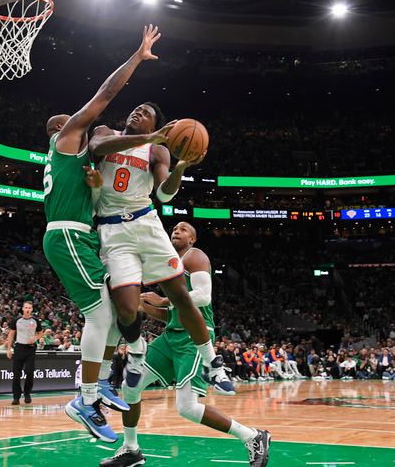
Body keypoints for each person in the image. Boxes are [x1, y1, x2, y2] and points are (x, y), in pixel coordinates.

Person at [42, 26, 162, 441]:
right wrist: (136, 56)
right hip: (67, 236)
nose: (89, 122)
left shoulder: (75, 163)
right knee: (100, 314)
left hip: (80, 233)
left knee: (111, 313)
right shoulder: (69, 137)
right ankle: (85, 395)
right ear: (65, 129)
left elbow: (87, 194)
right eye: (77, 119)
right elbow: (106, 93)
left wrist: (95, 189)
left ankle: (98, 387)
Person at [89, 100, 234, 395]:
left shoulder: (158, 150)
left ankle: (212, 362)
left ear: (155, 127)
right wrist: (146, 138)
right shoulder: (106, 131)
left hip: (146, 223)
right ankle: (136, 350)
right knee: (128, 309)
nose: (138, 111)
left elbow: (165, 194)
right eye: (137, 108)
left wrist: (181, 166)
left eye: (146, 114)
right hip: (113, 230)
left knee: (180, 294)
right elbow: (96, 149)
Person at [100, 222, 269, 467]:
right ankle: (131, 449)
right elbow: (173, 314)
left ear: (193, 239)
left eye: (184, 229)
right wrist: (147, 307)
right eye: (175, 228)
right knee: (129, 388)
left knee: (187, 407)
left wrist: (163, 299)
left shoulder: (195, 256)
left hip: (194, 339)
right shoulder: (167, 264)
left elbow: (202, 296)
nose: (177, 231)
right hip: (171, 336)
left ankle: (253, 436)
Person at [6, 301, 42, 405]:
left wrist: (35, 338)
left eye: (29, 308)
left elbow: (40, 333)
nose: (27, 309)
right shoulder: (17, 320)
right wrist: (8, 349)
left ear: (31, 309)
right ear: (22, 308)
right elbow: (11, 335)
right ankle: (16, 397)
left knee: (29, 372)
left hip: (30, 349)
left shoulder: (35, 320)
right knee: (16, 374)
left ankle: (27, 394)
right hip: (19, 348)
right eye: (26, 307)